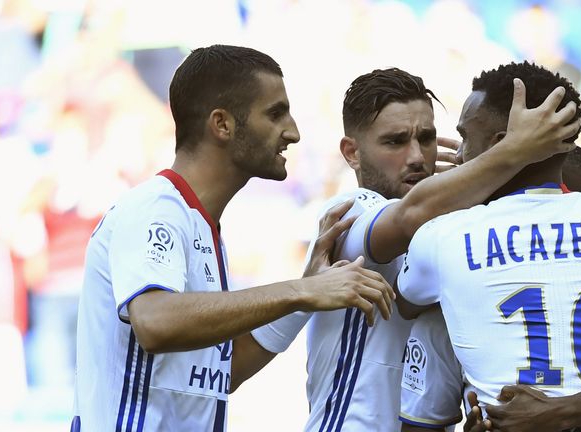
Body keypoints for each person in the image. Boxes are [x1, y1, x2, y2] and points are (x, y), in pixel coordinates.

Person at [71, 45, 399, 432]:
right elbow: (155, 322)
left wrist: (306, 295)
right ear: (222, 124)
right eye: (275, 113)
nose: (292, 132)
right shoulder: (154, 208)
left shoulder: (204, 228)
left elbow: (218, 375)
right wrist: (300, 291)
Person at [247, 67, 581, 431]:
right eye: (395, 141)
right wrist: (511, 153)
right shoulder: (353, 212)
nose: (417, 157)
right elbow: (410, 217)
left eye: (426, 138)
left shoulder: (452, 233)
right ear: (352, 153)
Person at [396, 62, 581, 432]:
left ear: (503, 144)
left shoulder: (443, 238)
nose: (457, 156)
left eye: (464, 138)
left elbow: (406, 303)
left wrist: (552, 413)